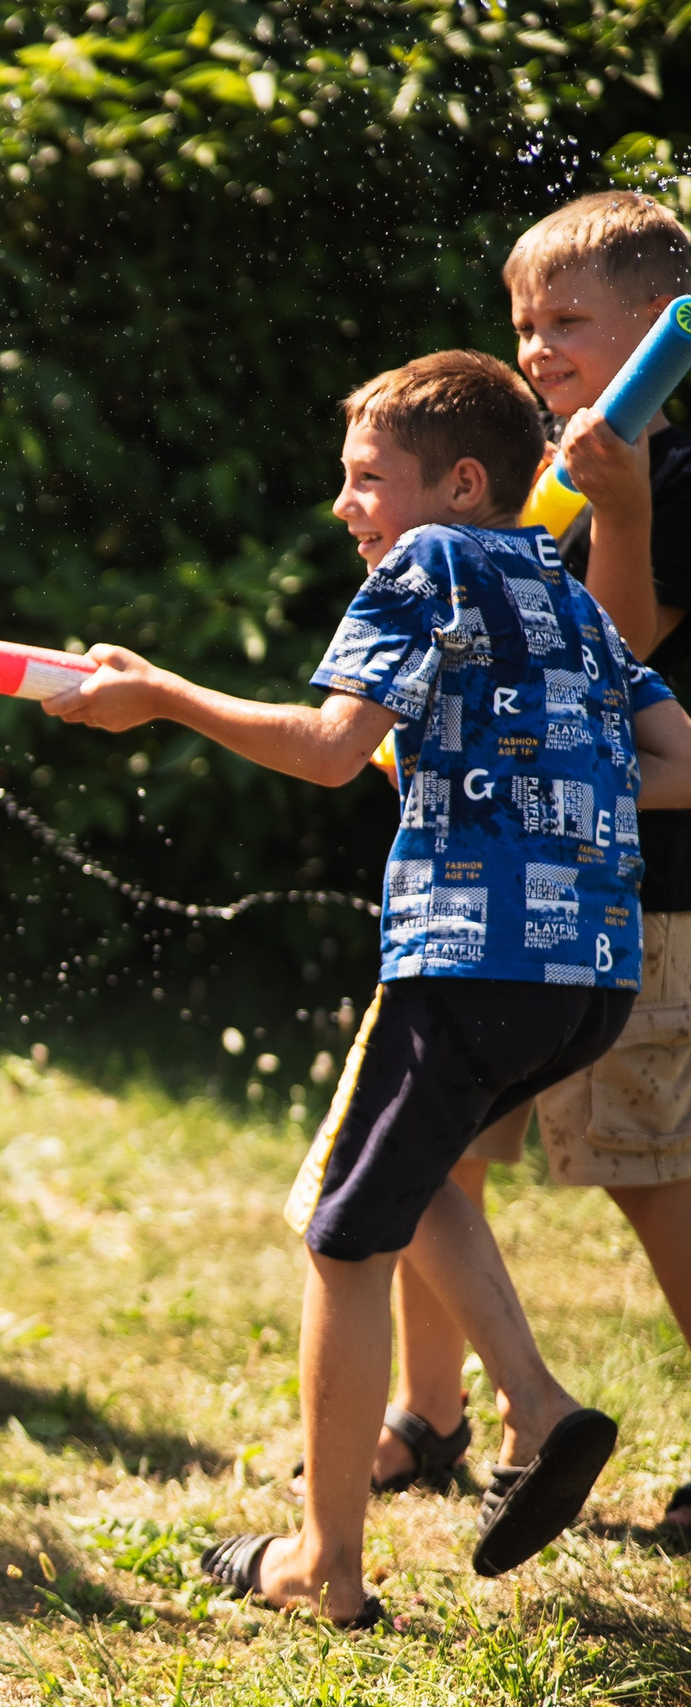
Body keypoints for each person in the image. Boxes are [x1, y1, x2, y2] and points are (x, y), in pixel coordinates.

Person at [45, 350, 691, 1626]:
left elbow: (333, 751)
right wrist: (542, 779)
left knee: (342, 1242)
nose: (345, 506)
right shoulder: (566, 596)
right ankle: (537, 1403)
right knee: (402, 1167)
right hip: (588, 975)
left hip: (469, 960)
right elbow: (679, 757)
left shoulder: (427, 563)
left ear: (461, 484)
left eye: (366, 480)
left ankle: (323, 1570)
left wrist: (161, 697)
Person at [362, 194, 691, 1521]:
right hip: (495, 888)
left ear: (660, 328)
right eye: (524, 323)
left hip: (636, 890)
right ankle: (431, 1409)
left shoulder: (667, 476)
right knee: (430, 1149)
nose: (538, 347)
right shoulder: (538, 474)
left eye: (568, 320)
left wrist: (623, 506)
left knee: (651, 1175)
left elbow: (619, 652)